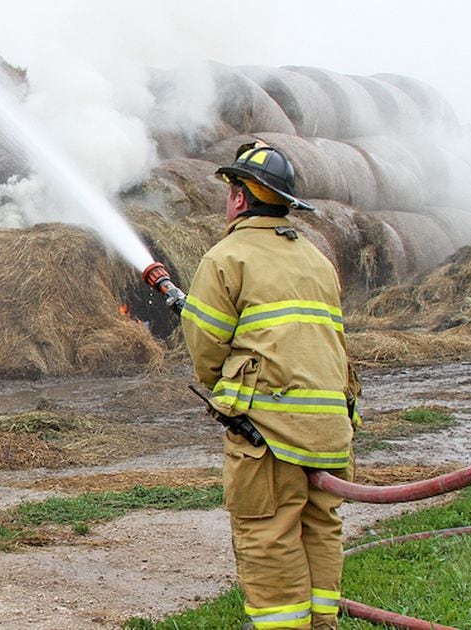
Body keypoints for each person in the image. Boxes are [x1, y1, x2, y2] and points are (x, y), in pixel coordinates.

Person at [181, 141, 360, 630]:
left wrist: (230, 392)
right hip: (330, 426)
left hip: (270, 431)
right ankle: (323, 624)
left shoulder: (227, 257)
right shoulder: (318, 260)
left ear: (240, 197)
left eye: (230, 189)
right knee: (321, 526)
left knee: (268, 532)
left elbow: (206, 351)